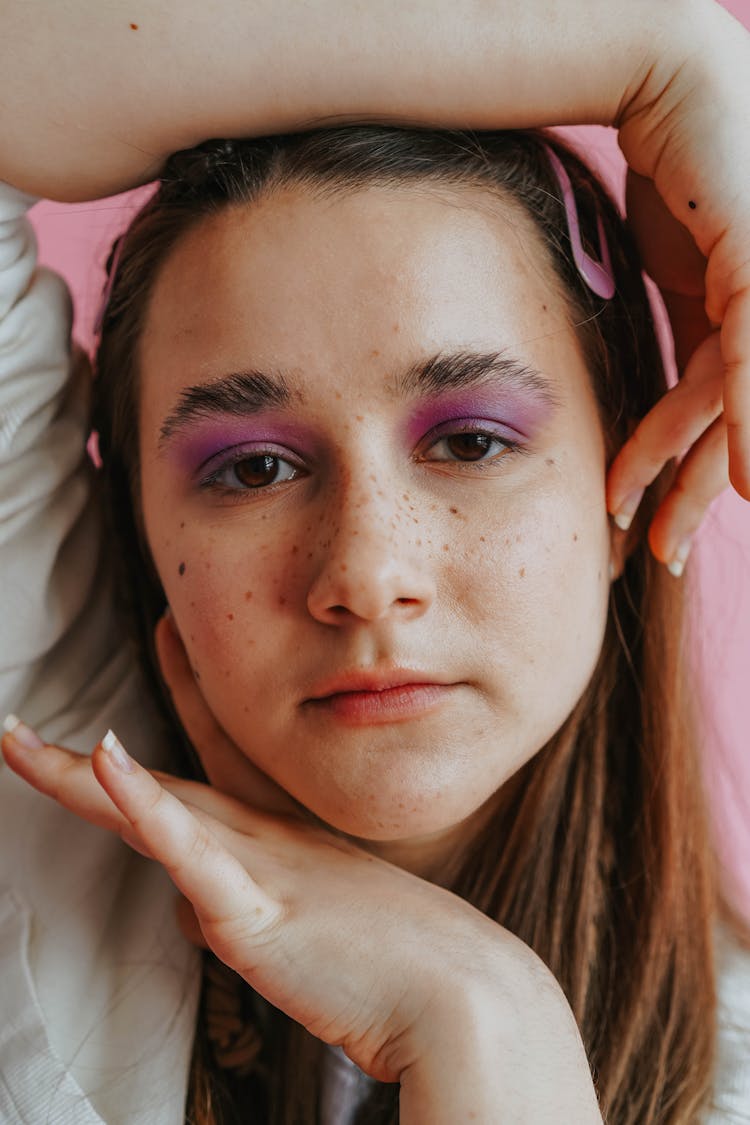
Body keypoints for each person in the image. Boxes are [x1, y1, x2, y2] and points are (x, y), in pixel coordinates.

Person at [0, 5, 749, 1125]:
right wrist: (657, 58)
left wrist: (482, 1024)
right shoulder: (36, 787)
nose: (365, 571)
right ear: (142, 527)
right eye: (252, 469)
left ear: (624, 480)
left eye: (469, 443)